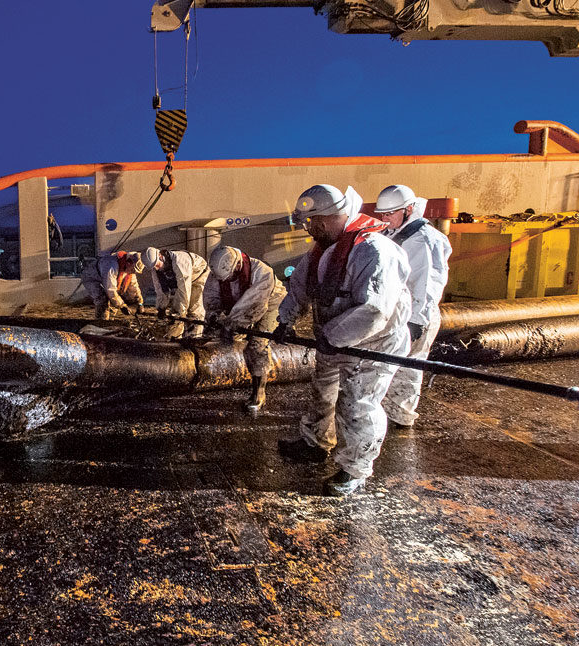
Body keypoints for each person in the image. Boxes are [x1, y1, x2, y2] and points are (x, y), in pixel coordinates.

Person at [274, 184, 412, 496]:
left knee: (357, 405)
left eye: (312, 223)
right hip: (332, 339)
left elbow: (374, 310)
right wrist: (285, 319)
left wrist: (332, 337)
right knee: (322, 391)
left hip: (372, 345)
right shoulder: (321, 250)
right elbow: (300, 287)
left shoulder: (373, 251)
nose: (309, 229)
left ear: (326, 219)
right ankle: (315, 442)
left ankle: (355, 469)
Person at [375, 185, 452, 428]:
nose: (385, 219)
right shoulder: (395, 232)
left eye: (390, 213)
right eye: (382, 214)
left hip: (416, 313)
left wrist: (417, 320)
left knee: (409, 365)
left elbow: (427, 283)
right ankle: (387, 411)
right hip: (397, 311)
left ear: (409, 209)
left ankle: (400, 415)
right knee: (390, 364)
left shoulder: (423, 239)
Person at [203, 246, 287, 414]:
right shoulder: (217, 274)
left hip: (271, 304)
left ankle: (259, 394)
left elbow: (254, 308)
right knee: (216, 333)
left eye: (231, 277)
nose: (228, 281)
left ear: (238, 265)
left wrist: (232, 327)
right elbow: (211, 297)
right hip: (240, 305)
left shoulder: (262, 272)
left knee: (256, 346)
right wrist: (214, 315)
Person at [141, 247, 210, 339]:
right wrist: (161, 308)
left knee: (193, 311)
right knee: (175, 313)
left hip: (199, 277)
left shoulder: (180, 260)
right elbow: (160, 289)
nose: (156, 268)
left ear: (161, 256)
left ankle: (194, 338)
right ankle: (174, 339)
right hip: (183, 282)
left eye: (157, 265)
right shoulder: (155, 268)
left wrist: (180, 312)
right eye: (153, 267)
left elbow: (184, 289)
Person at [80, 251, 145, 320]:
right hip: (90, 278)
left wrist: (139, 302)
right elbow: (110, 290)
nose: (133, 273)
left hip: (103, 278)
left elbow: (133, 286)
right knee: (102, 299)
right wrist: (122, 306)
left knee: (114, 301)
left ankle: (110, 322)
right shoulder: (111, 266)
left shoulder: (128, 269)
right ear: (129, 263)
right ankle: (101, 323)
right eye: (133, 270)